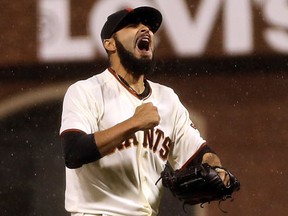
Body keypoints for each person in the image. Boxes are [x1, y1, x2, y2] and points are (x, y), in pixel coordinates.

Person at [60, 6, 229, 216]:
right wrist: (133, 123)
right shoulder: (86, 91)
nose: (145, 29)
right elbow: (74, 152)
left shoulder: (167, 99)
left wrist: (215, 166)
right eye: (132, 25)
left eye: (148, 26)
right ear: (109, 43)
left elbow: (198, 154)